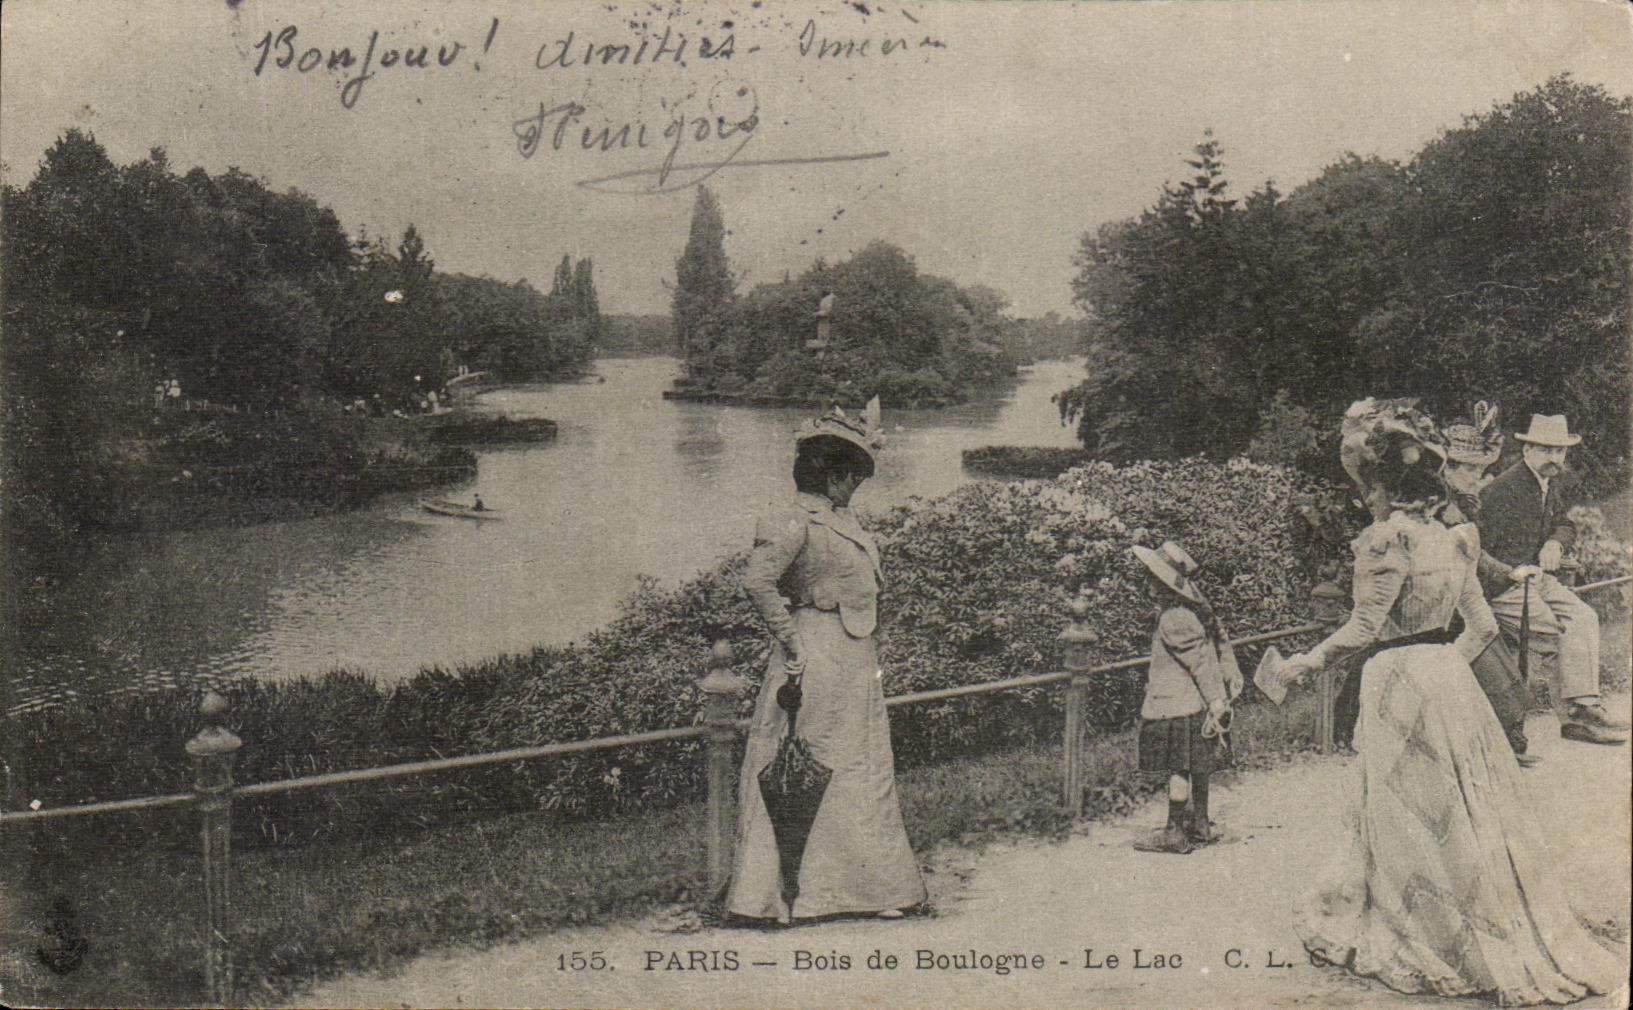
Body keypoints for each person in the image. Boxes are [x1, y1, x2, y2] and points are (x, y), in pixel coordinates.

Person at [1281, 399, 1623, 1004]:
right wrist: (1442, 669)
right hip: (1447, 674)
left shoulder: (1385, 541)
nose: (1368, 500)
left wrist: (1306, 662)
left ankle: (1424, 929)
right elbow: (1484, 630)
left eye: (1370, 490)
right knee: (1463, 807)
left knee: (1400, 808)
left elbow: (1363, 628)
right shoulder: (1459, 540)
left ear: (1384, 491)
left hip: (1397, 677)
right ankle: (1478, 918)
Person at [727, 400, 926, 924]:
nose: (854, 489)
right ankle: (784, 896)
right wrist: (792, 644)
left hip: (854, 659)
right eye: (851, 479)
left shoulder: (840, 520)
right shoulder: (793, 518)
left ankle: (866, 888)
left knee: (858, 768)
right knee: (804, 766)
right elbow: (757, 581)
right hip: (814, 656)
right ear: (833, 476)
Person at [1475, 414, 1627, 745]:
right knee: (1554, 629)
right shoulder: (1503, 489)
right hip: (1504, 585)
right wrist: (1515, 570)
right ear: (1527, 449)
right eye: (1546, 450)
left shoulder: (1547, 481)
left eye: (1559, 451)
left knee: (1584, 616)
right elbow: (1479, 549)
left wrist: (1554, 542)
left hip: (1537, 579)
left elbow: (1565, 523)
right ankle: (1571, 717)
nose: (1554, 458)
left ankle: (1585, 707)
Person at [1129, 541, 1243, 854]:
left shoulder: (1173, 618)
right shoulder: (1189, 614)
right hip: (1193, 704)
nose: (1148, 583)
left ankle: (1174, 831)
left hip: (1176, 705)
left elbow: (1201, 663)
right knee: (1198, 765)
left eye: (1152, 578)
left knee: (1178, 768)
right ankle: (1201, 824)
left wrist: (1217, 701)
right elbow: (1212, 653)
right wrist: (1218, 697)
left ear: (1163, 585)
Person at [1441, 405, 1537, 765]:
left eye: (1479, 469)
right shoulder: (1433, 505)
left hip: (1463, 597)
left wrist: (1509, 573)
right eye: (1466, 469)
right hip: (1433, 602)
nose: (1474, 476)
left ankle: (1502, 739)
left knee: (1496, 655)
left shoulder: (1466, 504)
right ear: (1446, 467)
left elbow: (1476, 556)